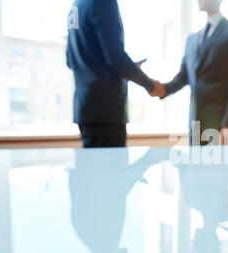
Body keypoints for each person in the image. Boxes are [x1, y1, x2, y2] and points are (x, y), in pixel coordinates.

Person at [151, 0, 228, 146]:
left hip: (222, 126)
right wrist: (163, 89)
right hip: (195, 126)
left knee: (222, 168)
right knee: (196, 168)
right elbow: (183, 77)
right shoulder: (191, 39)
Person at [67, 0, 162, 148]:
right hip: (106, 111)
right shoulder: (103, 2)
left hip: (85, 109)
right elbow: (116, 58)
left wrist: (126, 68)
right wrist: (149, 84)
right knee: (111, 169)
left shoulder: (76, 7)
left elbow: (70, 59)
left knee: (94, 169)